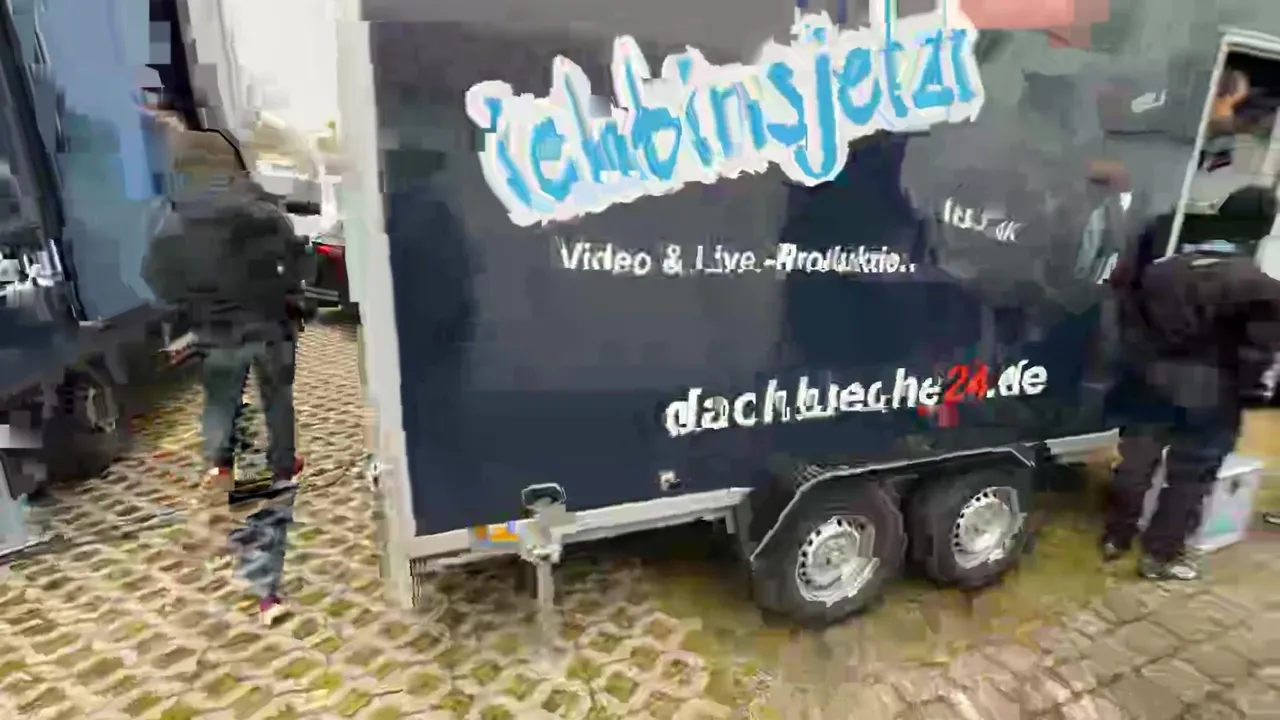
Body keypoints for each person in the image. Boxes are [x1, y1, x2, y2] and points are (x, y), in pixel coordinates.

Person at [141, 127, 307, 624]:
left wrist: (197, 306)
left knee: (220, 403)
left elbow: (157, 280)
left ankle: (218, 461)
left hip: (216, 338)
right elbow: (295, 263)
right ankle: (281, 468)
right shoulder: (261, 212)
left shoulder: (172, 223)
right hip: (268, 332)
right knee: (275, 404)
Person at [1102, 185, 1280, 580]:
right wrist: (1250, 394)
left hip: (1149, 381)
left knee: (1135, 463)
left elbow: (1128, 325)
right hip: (1213, 392)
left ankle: (1116, 536)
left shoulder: (1160, 270)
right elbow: (1257, 354)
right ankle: (1160, 556)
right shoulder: (1262, 287)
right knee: (1190, 475)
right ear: (1261, 230)